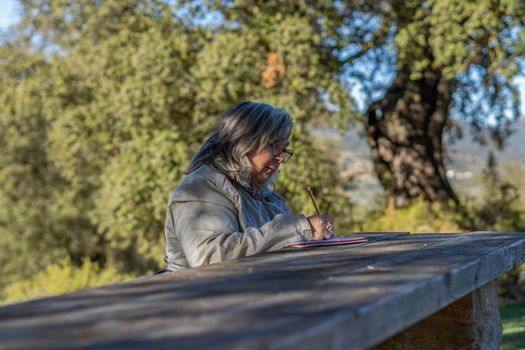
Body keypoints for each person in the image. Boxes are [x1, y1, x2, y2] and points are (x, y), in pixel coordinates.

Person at [164, 101, 335, 270]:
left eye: (284, 149)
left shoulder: (267, 196)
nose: (281, 158)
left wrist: (313, 236)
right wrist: (299, 229)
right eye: (275, 146)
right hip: (203, 295)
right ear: (246, 143)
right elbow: (210, 257)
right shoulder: (201, 189)